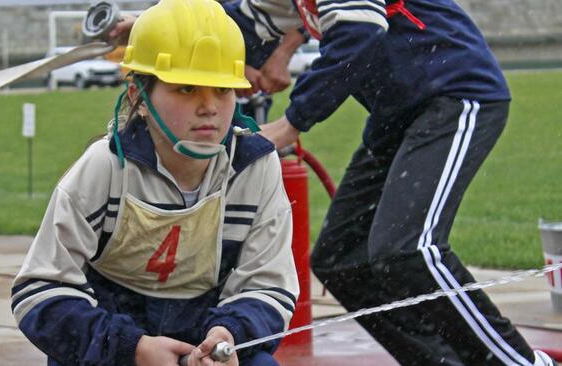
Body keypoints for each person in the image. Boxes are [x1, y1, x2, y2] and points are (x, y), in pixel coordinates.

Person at [105, 0, 557, 365]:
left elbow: (357, 36)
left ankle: (517, 362)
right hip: (397, 115)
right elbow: (232, 21)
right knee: (341, 259)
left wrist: (292, 123)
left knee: (411, 249)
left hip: (455, 96)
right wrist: (148, 27)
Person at [11, 0, 299, 365]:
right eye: (187, 89)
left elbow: (267, 285)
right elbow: (38, 292)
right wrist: (131, 349)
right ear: (138, 97)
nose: (209, 107)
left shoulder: (256, 167)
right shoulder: (105, 168)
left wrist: (229, 335)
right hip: (110, 350)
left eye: (222, 90)